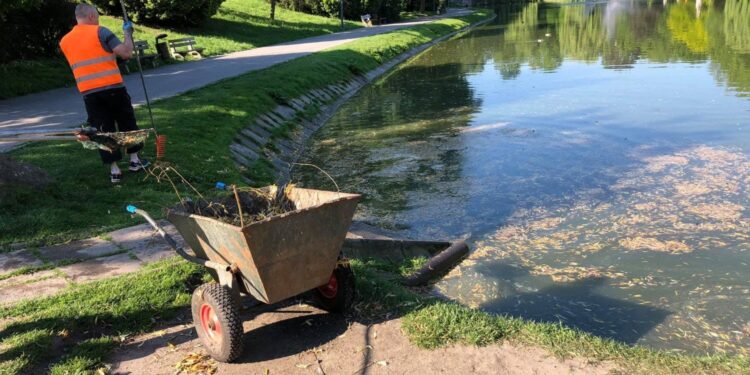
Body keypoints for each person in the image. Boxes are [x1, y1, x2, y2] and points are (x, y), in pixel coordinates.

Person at [60, 3, 150, 183]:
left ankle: (114, 170)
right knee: (127, 124)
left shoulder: (64, 41)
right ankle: (134, 161)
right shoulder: (101, 32)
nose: (99, 19)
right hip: (112, 87)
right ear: (92, 16)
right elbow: (125, 53)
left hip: (89, 92)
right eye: (98, 16)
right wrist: (127, 34)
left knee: (102, 131)